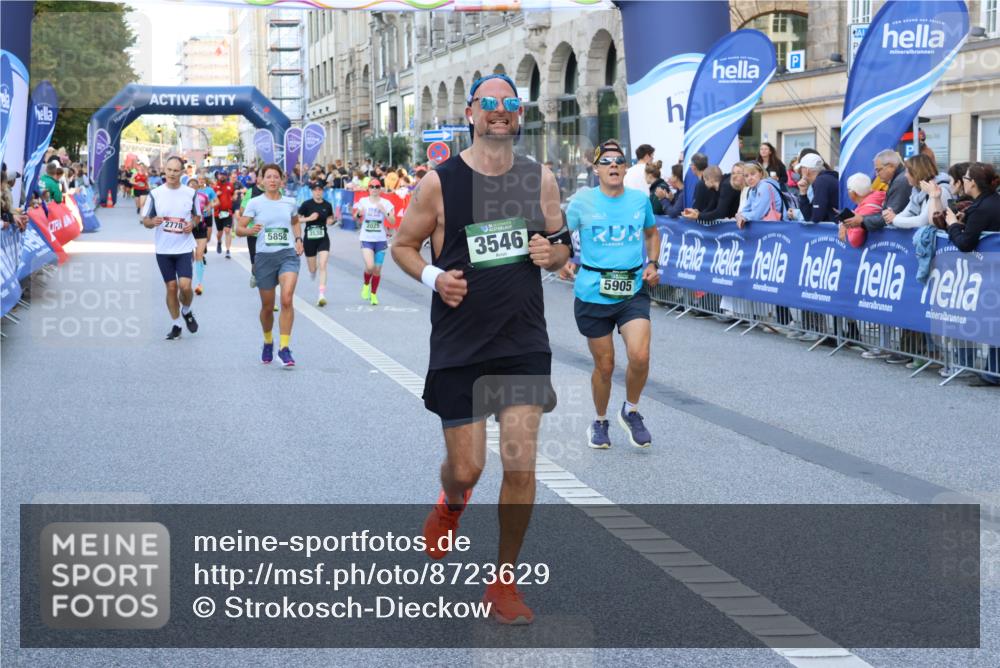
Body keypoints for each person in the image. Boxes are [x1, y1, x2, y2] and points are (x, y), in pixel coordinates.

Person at [391, 72, 571, 625]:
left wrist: (554, 256)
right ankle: (451, 506)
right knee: (468, 469)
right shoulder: (438, 183)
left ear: (519, 115)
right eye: (489, 102)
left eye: (509, 103)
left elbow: (563, 248)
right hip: (460, 345)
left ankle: (503, 582)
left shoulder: (538, 177)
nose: (499, 110)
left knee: (520, 465)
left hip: (522, 341)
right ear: (471, 112)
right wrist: (433, 280)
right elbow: (403, 246)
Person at [566, 139, 660, 450]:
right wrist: (561, 260)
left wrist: (653, 262)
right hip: (593, 291)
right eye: (606, 161)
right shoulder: (582, 202)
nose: (614, 165)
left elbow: (651, 232)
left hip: (632, 289)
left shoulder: (638, 200)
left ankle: (631, 411)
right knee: (605, 366)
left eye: (619, 161)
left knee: (640, 355)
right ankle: (600, 420)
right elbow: (560, 236)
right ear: (596, 170)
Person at [236, 163, 302, 367]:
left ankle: (284, 348)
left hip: (287, 255)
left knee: (287, 299)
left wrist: (298, 239)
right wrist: (250, 230)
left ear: (282, 180)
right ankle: (267, 341)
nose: (272, 180)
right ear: (262, 180)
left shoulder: (290, 202)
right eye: (268, 177)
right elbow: (239, 229)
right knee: (266, 306)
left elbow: (295, 221)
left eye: (276, 177)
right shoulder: (255, 203)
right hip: (264, 256)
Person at [140, 156, 201, 340]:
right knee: (172, 288)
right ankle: (176, 324)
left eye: (176, 171)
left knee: (186, 286)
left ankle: (187, 310)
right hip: (163, 250)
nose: (172, 174)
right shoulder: (155, 193)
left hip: (183, 248)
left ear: (182, 172)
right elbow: (145, 221)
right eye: (169, 170)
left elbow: (197, 216)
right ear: (164, 170)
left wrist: (192, 224)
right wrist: (153, 221)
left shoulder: (190, 193)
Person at [352, 179, 396, 306]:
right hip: (366, 239)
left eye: (377, 186)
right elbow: (356, 217)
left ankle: (373, 294)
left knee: (377, 270)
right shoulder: (363, 201)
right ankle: (366, 285)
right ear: (368, 189)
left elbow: (392, 221)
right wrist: (359, 214)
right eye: (372, 186)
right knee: (370, 266)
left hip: (381, 240)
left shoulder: (386, 203)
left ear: (380, 189)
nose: (374, 189)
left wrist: (384, 211)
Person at [843, 149, 909, 231]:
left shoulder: (900, 182)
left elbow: (890, 217)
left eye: (879, 170)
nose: (876, 174)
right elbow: (886, 214)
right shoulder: (898, 180)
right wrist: (862, 219)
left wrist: (862, 220)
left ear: (891, 166)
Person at [882, 154, 951, 230]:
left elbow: (922, 221)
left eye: (907, 172)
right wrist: (891, 217)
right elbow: (906, 213)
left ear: (916, 172)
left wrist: (894, 219)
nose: (905, 175)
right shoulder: (917, 191)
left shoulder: (940, 190)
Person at [298, 181, 335, 306]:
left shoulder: (327, 205)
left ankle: (321, 295)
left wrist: (330, 221)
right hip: (309, 239)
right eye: (315, 190)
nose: (318, 192)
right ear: (312, 191)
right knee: (313, 268)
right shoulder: (306, 205)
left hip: (323, 238)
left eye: (320, 189)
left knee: (323, 264)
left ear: (323, 191)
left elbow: (331, 217)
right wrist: (308, 219)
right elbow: (296, 219)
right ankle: (313, 272)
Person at [735, 162, 785, 227]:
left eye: (753, 174)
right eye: (746, 176)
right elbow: (745, 210)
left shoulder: (764, 186)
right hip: (768, 228)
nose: (749, 178)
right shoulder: (751, 190)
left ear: (761, 174)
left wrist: (741, 215)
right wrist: (741, 215)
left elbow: (758, 215)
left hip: (779, 227)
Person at [795, 153, 839, 222]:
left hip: (834, 231)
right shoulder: (824, 179)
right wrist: (803, 192)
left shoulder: (821, 181)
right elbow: (809, 217)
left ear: (807, 170)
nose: (800, 172)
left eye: (801, 168)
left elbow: (815, 218)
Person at [211, 170, 236, 258]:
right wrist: (216, 195)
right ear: (218, 176)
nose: (222, 176)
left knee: (227, 230)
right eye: (221, 175)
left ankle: (228, 250)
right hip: (218, 213)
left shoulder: (230, 185)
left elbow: (233, 195)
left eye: (224, 175)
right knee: (220, 232)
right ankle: (219, 242)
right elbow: (210, 200)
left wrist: (234, 197)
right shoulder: (214, 187)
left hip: (228, 212)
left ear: (226, 176)